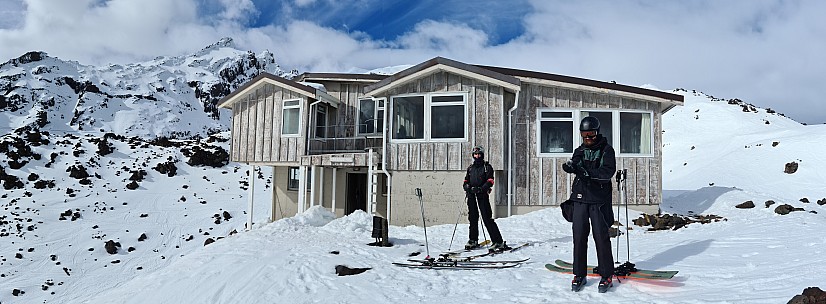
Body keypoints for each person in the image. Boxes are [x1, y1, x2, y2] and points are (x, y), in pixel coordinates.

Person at [562, 116, 616, 293]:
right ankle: (579, 274)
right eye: (584, 135)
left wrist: (587, 173)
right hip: (580, 199)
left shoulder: (607, 150)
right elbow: (576, 162)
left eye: (591, 134)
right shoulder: (580, 150)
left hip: (598, 201)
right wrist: (571, 167)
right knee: (579, 237)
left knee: (601, 237)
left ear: (597, 132)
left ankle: (606, 275)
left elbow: (607, 172)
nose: (588, 138)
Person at [462, 146, 507, 251]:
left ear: (482, 155)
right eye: (475, 154)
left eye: (479, 154)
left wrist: (481, 189)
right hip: (471, 196)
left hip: (482, 196)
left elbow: (490, 181)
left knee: (487, 218)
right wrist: (467, 187)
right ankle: (473, 240)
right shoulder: (470, 168)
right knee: (473, 218)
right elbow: (466, 181)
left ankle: (498, 241)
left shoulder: (487, 167)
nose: (477, 156)